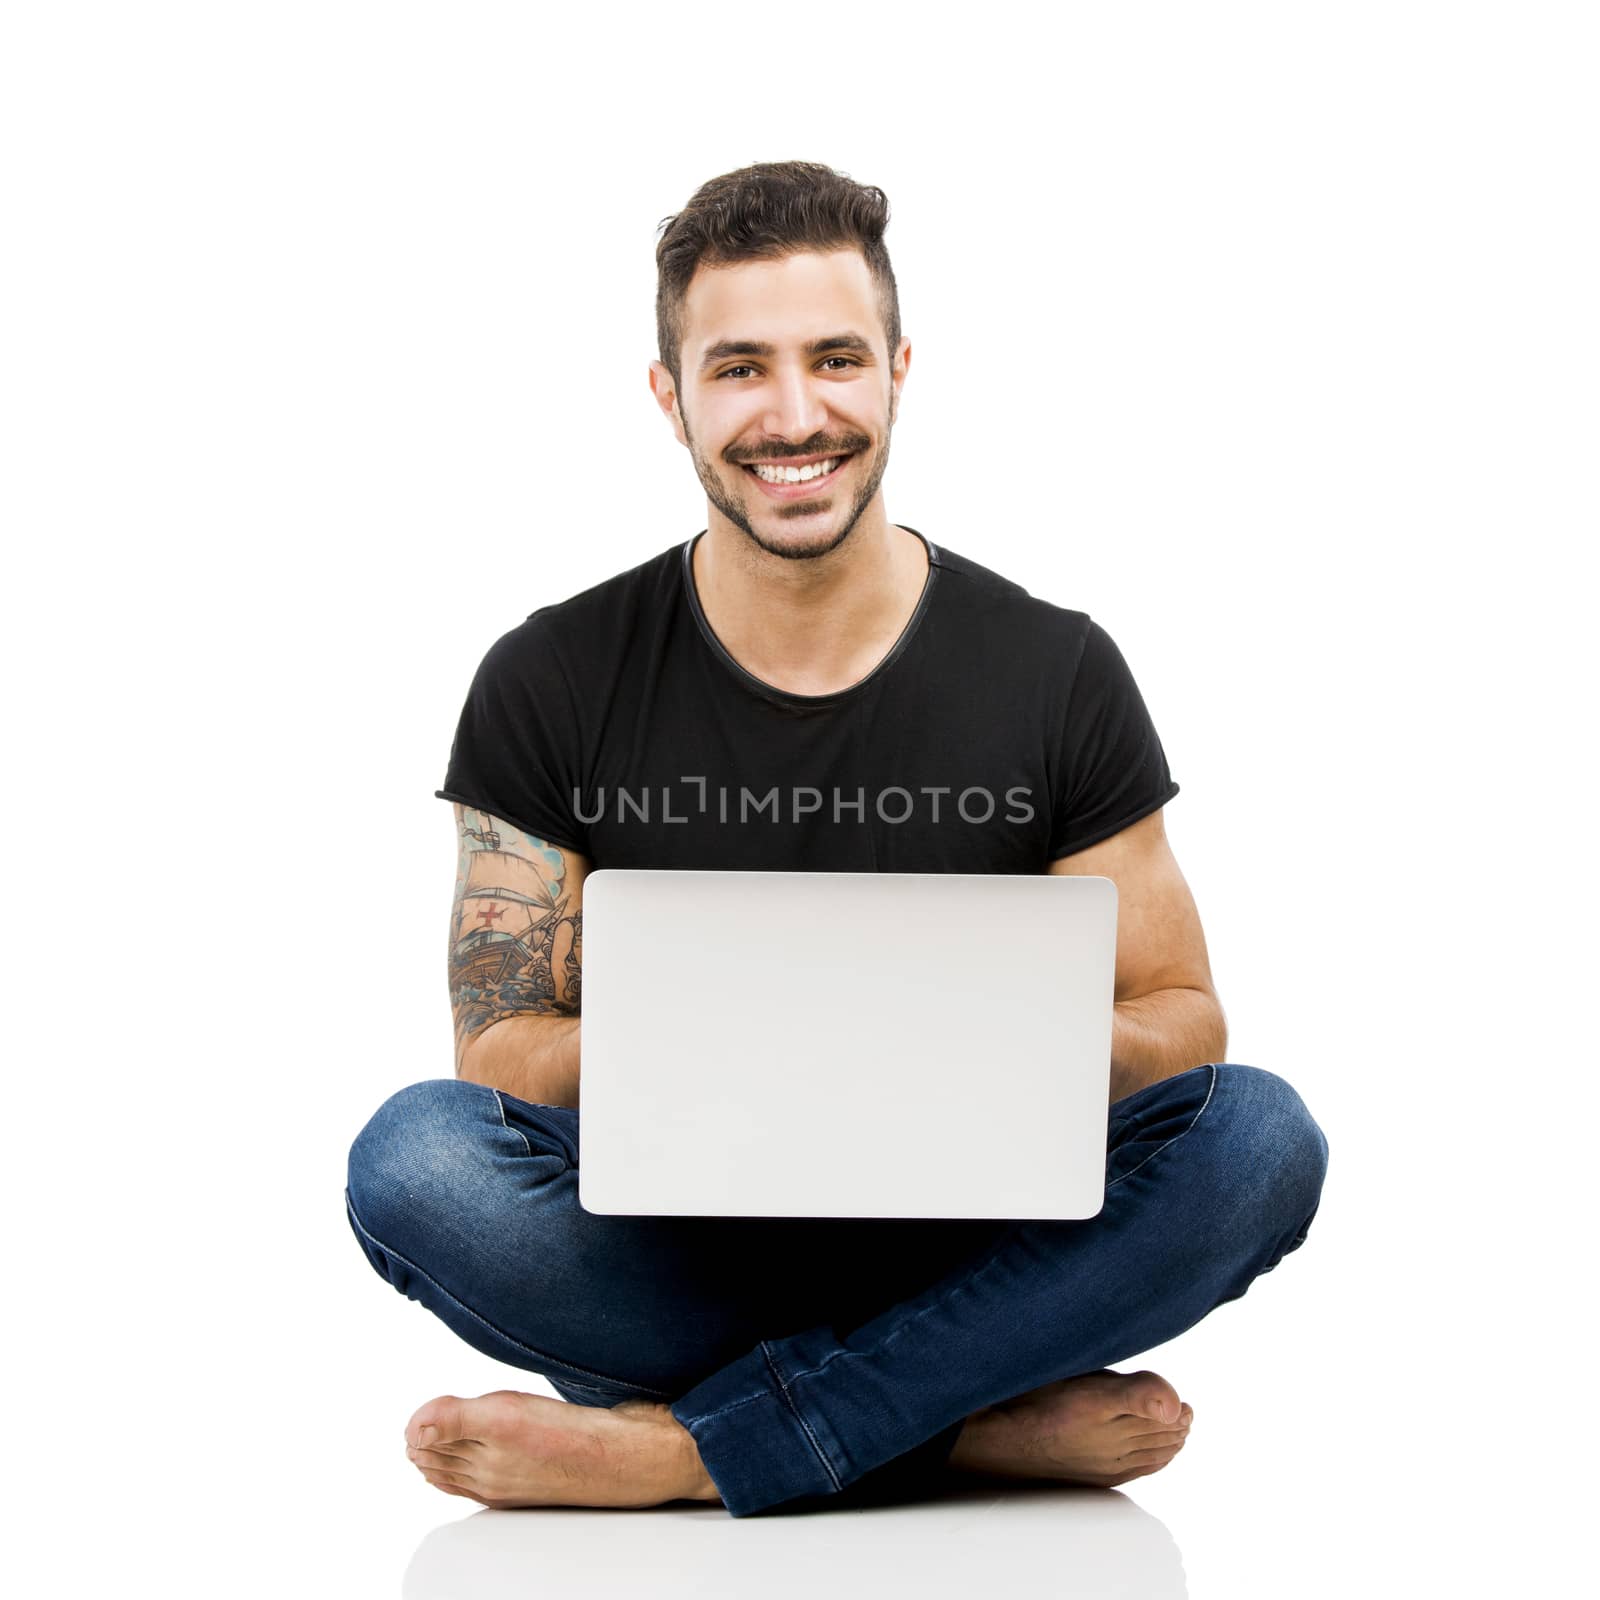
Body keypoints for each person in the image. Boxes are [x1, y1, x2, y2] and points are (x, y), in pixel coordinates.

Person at [344, 160, 1329, 1520]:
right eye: (740, 367)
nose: (795, 415)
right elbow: (497, 1052)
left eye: (835, 360)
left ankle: (700, 1450)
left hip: (985, 1248)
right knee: (414, 1164)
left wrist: (1015, 1033)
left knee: (1263, 1142)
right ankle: (962, 1421)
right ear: (668, 394)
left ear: (900, 372)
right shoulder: (549, 676)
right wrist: (740, 1042)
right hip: (681, 1255)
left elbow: (1185, 1017)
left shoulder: (1054, 670)